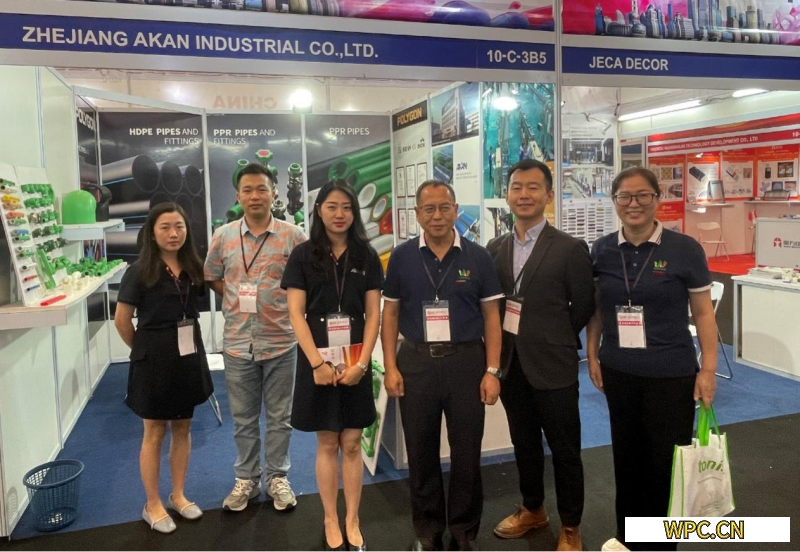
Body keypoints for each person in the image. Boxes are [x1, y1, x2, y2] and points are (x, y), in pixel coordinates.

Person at [586, 167, 718, 552]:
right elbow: (597, 310)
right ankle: (628, 539)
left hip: (671, 374)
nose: (634, 204)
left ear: (657, 198)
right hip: (619, 370)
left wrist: (708, 368)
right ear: (614, 201)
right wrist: (592, 353)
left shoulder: (684, 249)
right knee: (626, 460)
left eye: (643, 195)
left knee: (664, 466)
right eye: (624, 196)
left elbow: (704, 313)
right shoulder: (602, 249)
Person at [381, 180, 504, 552]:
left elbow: (492, 316)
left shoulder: (478, 256)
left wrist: (492, 370)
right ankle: (428, 530)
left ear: (456, 210)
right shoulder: (401, 257)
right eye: (429, 209)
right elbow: (390, 314)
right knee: (420, 452)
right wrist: (390, 366)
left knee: (466, 452)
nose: (437, 216)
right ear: (417, 214)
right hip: (416, 362)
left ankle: (464, 531)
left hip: (466, 362)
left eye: (444, 207)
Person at [486, 160, 595, 552]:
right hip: (511, 365)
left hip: (554, 365)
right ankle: (533, 508)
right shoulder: (495, 248)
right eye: (517, 187)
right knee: (524, 442)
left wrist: (554, 337)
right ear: (507, 195)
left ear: (549, 195)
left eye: (533, 187)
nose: (524, 195)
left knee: (565, 449)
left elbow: (583, 305)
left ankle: (570, 526)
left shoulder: (570, 248)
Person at [282, 181, 382, 551]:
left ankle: (352, 517)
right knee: (327, 440)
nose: (340, 214)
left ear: (354, 212)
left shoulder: (366, 255)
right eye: (332, 207)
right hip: (316, 358)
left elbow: (374, 314)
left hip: (355, 357)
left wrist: (362, 363)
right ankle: (329, 516)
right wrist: (316, 363)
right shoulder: (302, 255)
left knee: (352, 442)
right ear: (319, 210)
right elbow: (296, 313)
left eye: (347, 207)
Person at [204, 163, 306, 512]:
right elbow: (213, 275)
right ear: (238, 196)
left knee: (280, 417)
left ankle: (277, 476)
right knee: (244, 419)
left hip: (281, 341)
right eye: (247, 190)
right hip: (237, 343)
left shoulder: (294, 236)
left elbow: (306, 282)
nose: (255, 196)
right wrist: (235, 297)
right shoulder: (223, 236)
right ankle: (246, 478)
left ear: (274, 193)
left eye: (262, 189)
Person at [115, 202, 213, 534]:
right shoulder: (139, 271)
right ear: (152, 233)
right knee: (154, 432)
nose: (173, 233)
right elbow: (122, 321)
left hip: (188, 356)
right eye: (165, 227)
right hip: (153, 361)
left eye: (179, 227)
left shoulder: (193, 267)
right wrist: (144, 352)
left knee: (183, 428)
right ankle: (152, 503)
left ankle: (178, 495)